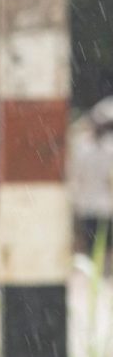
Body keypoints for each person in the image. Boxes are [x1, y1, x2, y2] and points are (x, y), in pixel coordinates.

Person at [69, 100, 113, 264]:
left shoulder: (108, 147)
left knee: (104, 243)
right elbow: (77, 176)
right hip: (90, 203)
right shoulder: (83, 147)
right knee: (92, 243)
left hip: (103, 204)